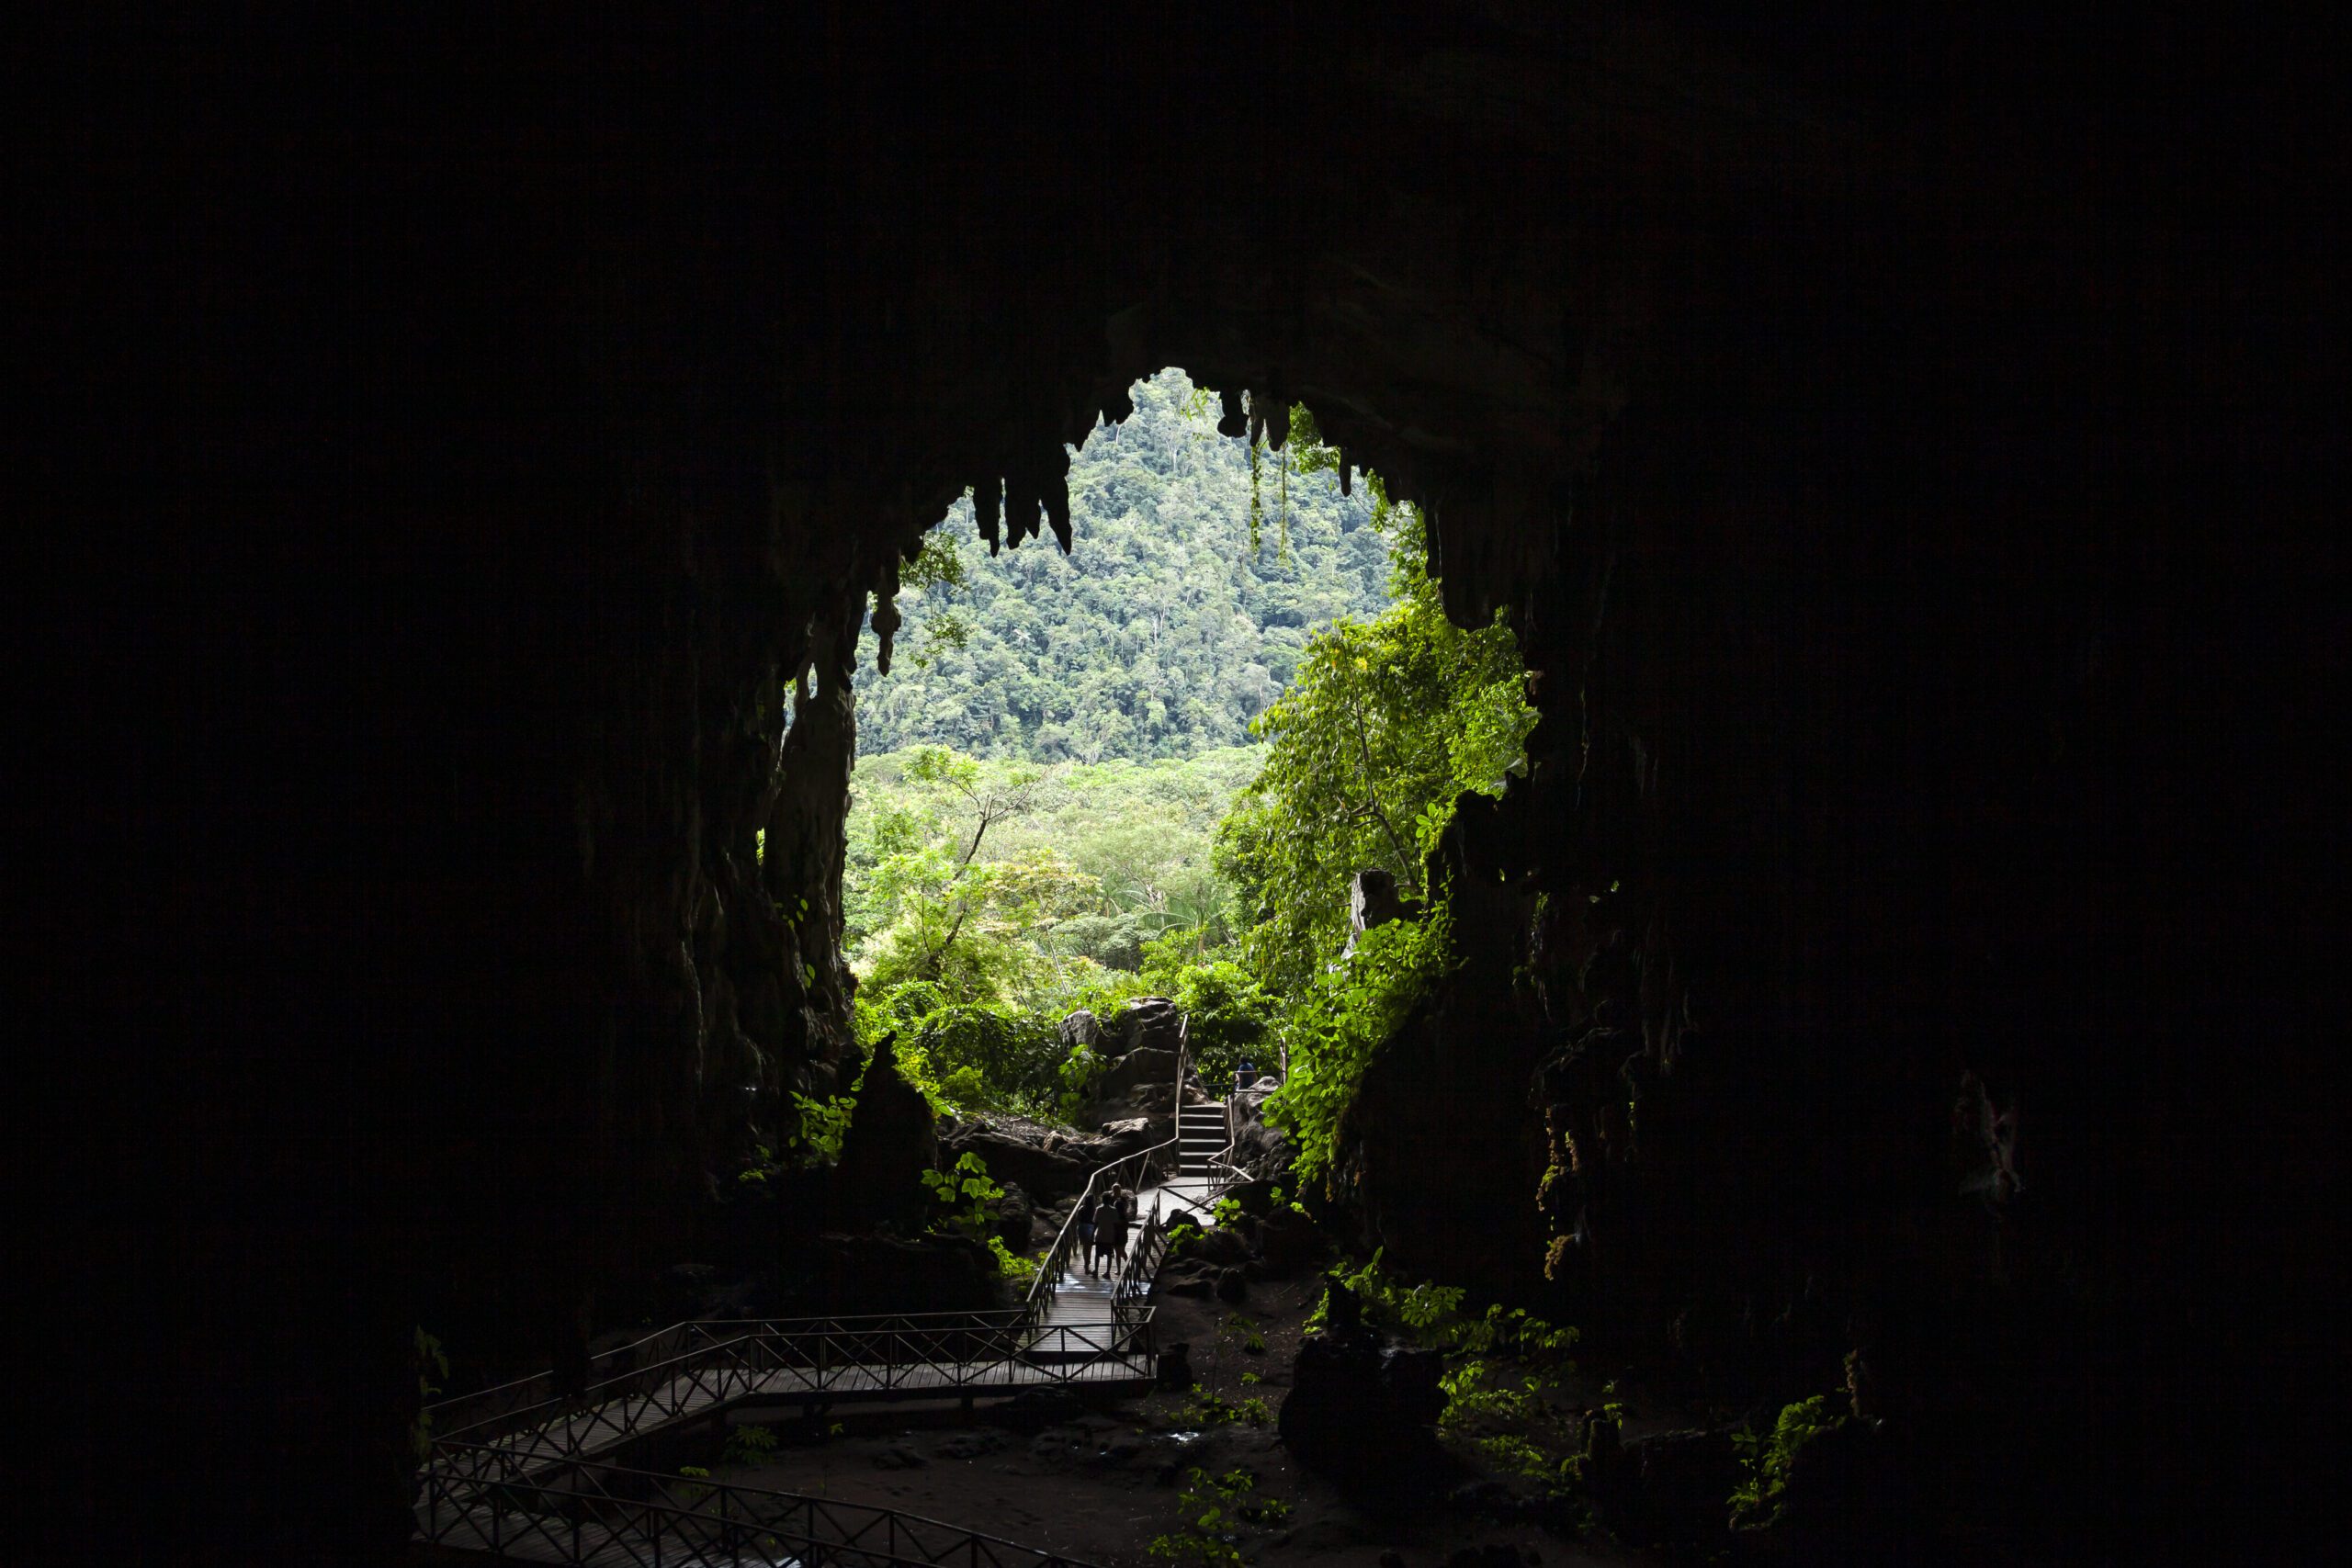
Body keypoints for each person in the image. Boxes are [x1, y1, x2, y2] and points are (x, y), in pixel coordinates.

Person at [1076, 1193, 1098, 1274]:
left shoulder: (1081, 1208)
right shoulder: (1094, 1209)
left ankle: (1086, 1265)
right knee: (1089, 1248)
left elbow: (1077, 1218)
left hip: (1081, 1227)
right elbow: (1096, 1221)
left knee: (1085, 1248)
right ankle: (1086, 1267)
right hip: (1090, 1228)